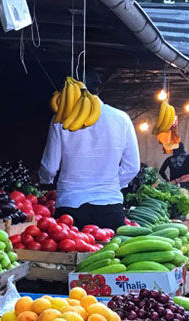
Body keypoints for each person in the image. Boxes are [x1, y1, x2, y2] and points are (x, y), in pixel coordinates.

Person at [38, 94, 140, 230]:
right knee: (111, 250)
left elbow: (50, 167)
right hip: (110, 206)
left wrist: (45, 180)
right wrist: (111, 185)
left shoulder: (61, 119)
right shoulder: (122, 118)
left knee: (67, 251)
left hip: (71, 205)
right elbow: (133, 167)